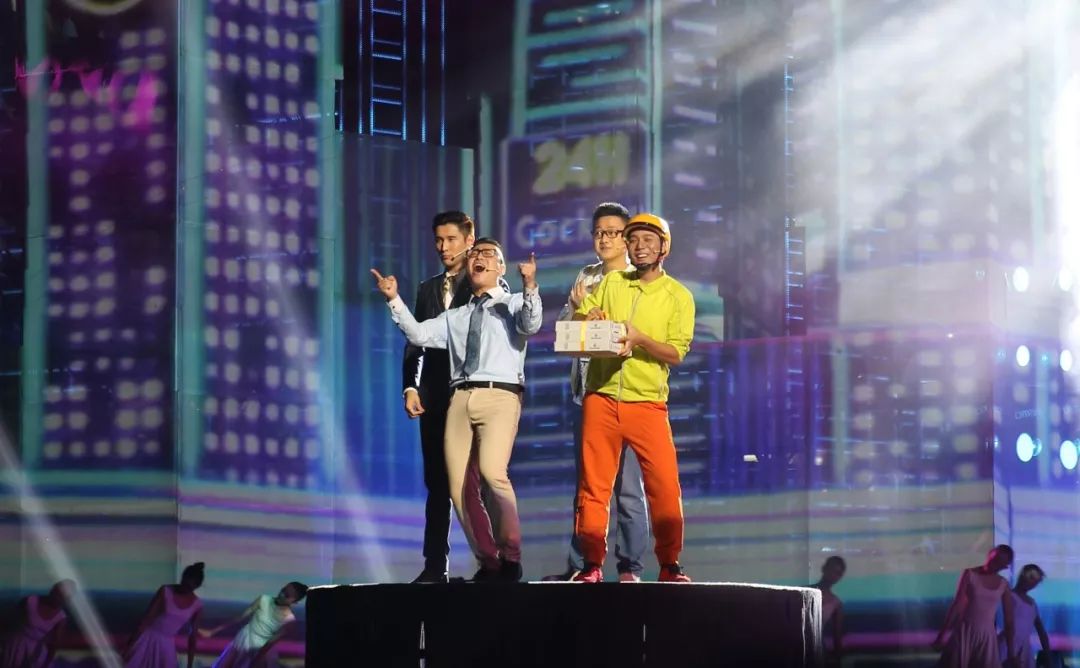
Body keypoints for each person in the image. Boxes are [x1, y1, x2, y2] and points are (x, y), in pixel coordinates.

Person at [372, 237, 542, 581]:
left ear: (500, 267)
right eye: (475, 253)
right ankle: (489, 561)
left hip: (500, 394)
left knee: (493, 473)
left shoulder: (512, 303)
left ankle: (511, 556)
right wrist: (394, 300)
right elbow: (419, 335)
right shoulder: (455, 316)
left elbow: (531, 324)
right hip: (460, 397)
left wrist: (529, 285)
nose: (479, 257)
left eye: (489, 254)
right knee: (458, 486)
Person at [571, 213, 695, 583]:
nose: (640, 247)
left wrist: (640, 339)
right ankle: (591, 565)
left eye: (648, 240)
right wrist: (589, 314)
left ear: (663, 247)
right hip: (601, 397)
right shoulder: (612, 282)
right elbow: (582, 317)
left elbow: (677, 352)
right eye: (634, 240)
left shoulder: (678, 296)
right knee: (594, 487)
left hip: (648, 404)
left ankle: (669, 564)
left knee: (664, 487)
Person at [544, 202, 649, 583]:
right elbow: (564, 331)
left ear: (627, 238)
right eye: (598, 233)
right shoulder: (586, 277)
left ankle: (630, 566)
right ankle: (583, 564)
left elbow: (639, 333)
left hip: (628, 394)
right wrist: (577, 311)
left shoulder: (640, 279)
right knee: (588, 486)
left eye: (613, 233)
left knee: (628, 489)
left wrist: (602, 324)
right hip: (588, 395)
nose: (604, 239)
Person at [401, 211, 480, 584]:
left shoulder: (484, 282)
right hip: (433, 394)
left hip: (472, 393)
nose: (443, 247)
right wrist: (411, 386)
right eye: (438, 240)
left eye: (451, 239)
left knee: (474, 480)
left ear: (468, 240)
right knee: (436, 482)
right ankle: (435, 565)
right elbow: (414, 340)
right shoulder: (427, 288)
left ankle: (492, 561)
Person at [933, 544, 1017, 667]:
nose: (993, 565)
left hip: (987, 636)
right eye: (993, 560)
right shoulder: (970, 574)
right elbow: (957, 606)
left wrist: (1011, 651)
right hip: (965, 632)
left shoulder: (1003, 584)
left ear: (1004, 566)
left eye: (999, 563)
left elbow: (1009, 619)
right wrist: (941, 636)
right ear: (989, 555)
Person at [201, 582, 308, 668]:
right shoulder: (264, 599)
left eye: (287, 595)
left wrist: (256, 659)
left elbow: (270, 643)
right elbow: (240, 617)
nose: (282, 594)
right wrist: (213, 631)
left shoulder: (289, 620)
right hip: (242, 639)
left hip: (257, 649)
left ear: (294, 601)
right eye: (283, 590)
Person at [123, 562, 206, 668]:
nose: (184, 588)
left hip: (167, 646)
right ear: (182, 577)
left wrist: (189, 665)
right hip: (147, 640)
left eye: (189, 587)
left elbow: (192, 637)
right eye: (184, 583)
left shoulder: (197, 605)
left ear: (196, 586)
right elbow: (146, 620)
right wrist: (129, 646)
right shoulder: (165, 591)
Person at [0, 579, 75, 668]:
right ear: (52, 591)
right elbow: (9, 620)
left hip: (36, 653)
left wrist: (47, 663)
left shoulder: (61, 617)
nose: (59, 598)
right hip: (14, 646)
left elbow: (54, 644)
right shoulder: (30, 601)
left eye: (64, 596)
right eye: (58, 594)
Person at [999, 564, 1050, 668]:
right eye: (1031, 578)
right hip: (1007, 645)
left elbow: (1041, 630)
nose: (1033, 584)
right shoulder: (1009, 596)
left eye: (1036, 581)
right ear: (1023, 576)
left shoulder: (1032, 603)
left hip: (1024, 647)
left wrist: (1047, 653)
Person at [811, 556, 846, 665]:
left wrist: (837, 660)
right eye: (831, 570)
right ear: (824, 568)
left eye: (838, 573)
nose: (833, 575)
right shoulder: (803, 592)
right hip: (795, 647)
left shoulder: (836, 603)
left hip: (817, 650)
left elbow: (837, 636)